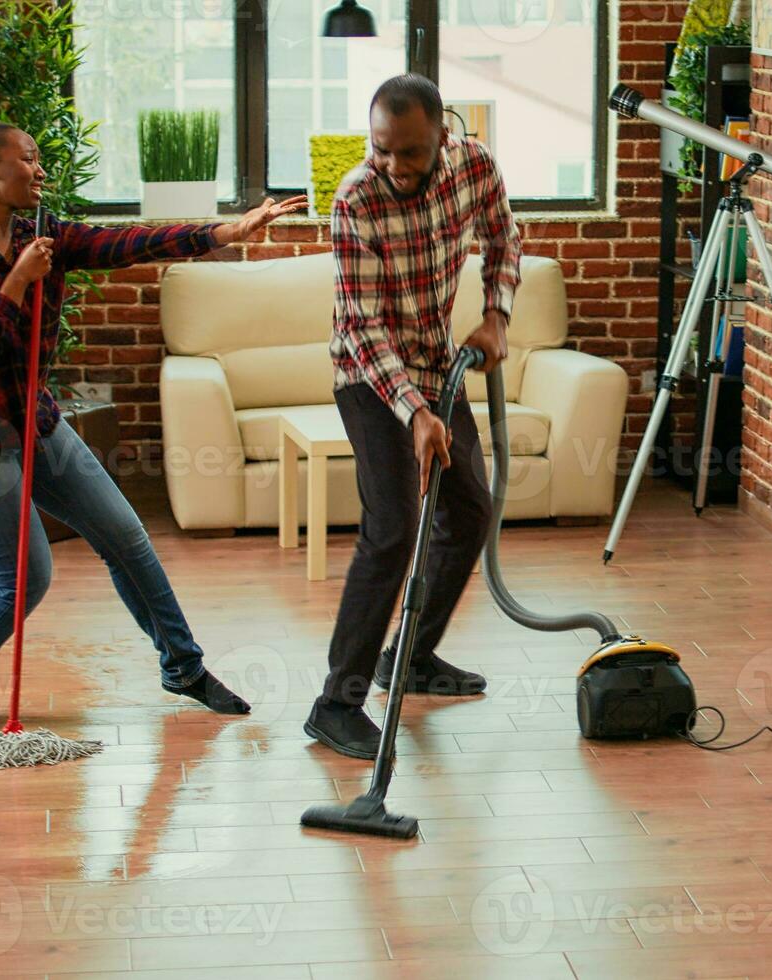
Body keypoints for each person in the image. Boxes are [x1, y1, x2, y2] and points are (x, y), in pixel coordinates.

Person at [0, 120, 307, 731]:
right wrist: (17, 281)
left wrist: (227, 231)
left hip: (34, 425)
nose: (40, 170)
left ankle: (184, 667)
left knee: (126, 536)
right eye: (29, 158)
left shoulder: (46, 235)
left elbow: (131, 243)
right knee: (25, 576)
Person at [304, 75, 521, 759]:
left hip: (436, 365)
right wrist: (417, 412)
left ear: (443, 140)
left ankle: (411, 658)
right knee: (393, 530)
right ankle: (336, 703)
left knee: (472, 511)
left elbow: (506, 236)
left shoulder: (474, 167)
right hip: (370, 378)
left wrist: (495, 314)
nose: (394, 167)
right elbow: (362, 329)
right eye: (381, 150)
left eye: (410, 154)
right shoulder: (356, 200)